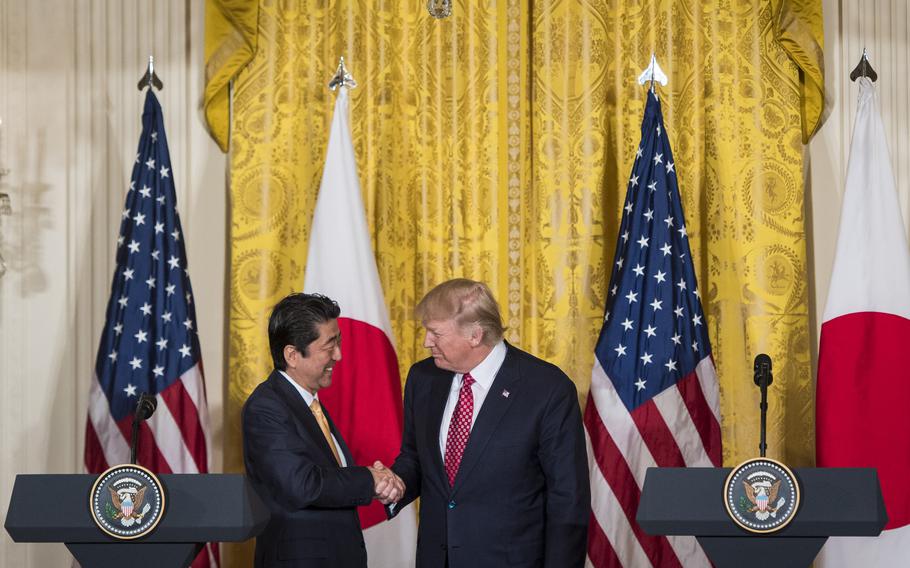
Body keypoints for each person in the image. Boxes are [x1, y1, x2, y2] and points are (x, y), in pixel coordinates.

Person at [388, 278, 590, 567]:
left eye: (436, 333)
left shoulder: (547, 389)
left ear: (475, 335)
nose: (426, 342)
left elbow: (568, 499)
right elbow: (415, 458)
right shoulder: (423, 378)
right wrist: (396, 483)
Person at [243, 292, 404, 568]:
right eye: (329, 346)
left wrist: (373, 480)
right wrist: (370, 479)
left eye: (338, 342)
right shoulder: (266, 407)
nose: (339, 356)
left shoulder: (308, 403)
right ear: (292, 355)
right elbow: (302, 485)